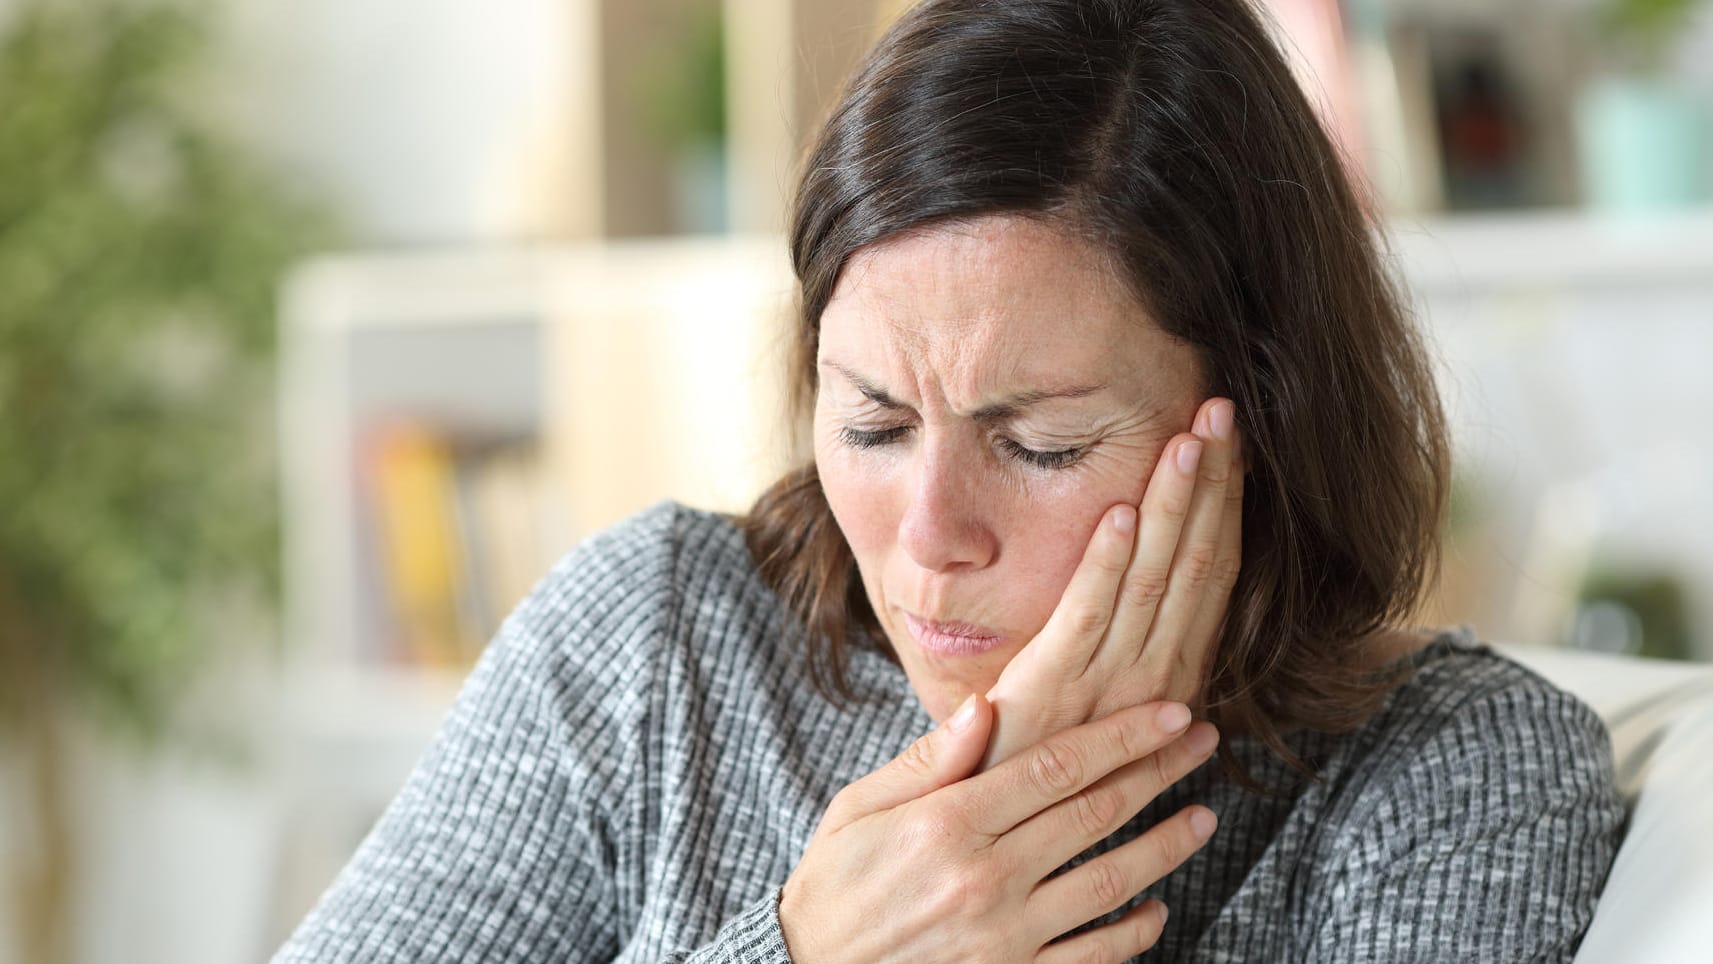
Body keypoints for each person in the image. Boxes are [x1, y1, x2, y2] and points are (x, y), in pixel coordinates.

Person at [276, 0, 1623, 960]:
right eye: (870, 422)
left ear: (1260, 427)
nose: (927, 537)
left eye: (1036, 445)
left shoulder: (1450, 780)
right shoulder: (655, 641)